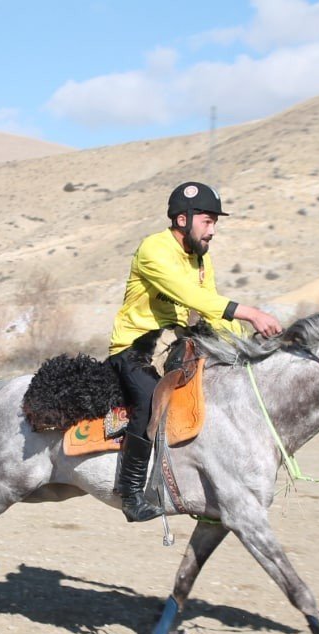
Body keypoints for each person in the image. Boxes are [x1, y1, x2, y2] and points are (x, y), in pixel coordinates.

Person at [106, 181, 282, 522]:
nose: (213, 230)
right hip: (132, 348)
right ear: (183, 219)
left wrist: (248, 345)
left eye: (215, 222)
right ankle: (130, 494)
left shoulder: (201, 260)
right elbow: (193, 298)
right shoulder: (153, 250)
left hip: (171, 342)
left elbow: (212, 310)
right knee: (148, 400)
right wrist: (252, 313)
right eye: (208, 221)